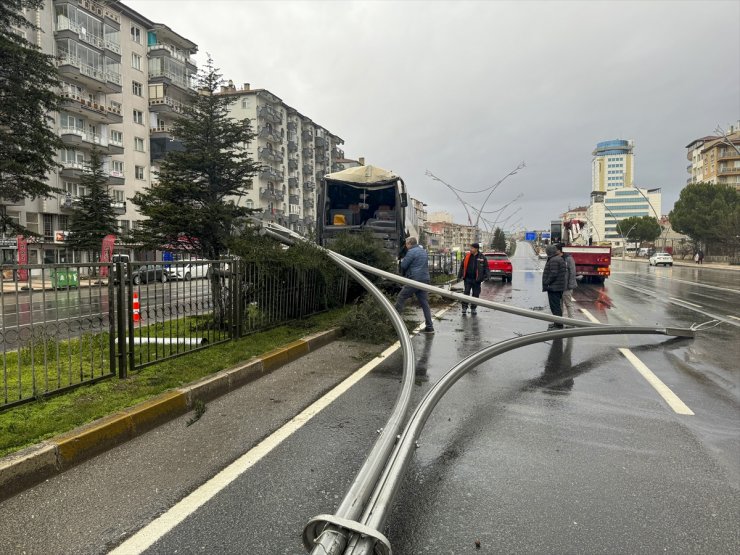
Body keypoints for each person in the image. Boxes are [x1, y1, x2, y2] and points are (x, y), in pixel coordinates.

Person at [394, 237, 435, 333]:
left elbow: (404, 265)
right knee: (424, 303)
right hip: (425, 279)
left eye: (406, 244)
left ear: (409, 244)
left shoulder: (411, 252)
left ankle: (396, 322)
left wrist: (402, 260)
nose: (406, 246)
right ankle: (430, 327)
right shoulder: (423, 251)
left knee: (401, 296)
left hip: (415, 280)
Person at [456, 242, 489, 315]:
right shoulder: (467, 256)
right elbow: (462, 266)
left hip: (477, 280)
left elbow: (486, 267)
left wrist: (486, 276)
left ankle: (473, 308)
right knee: (466, 293)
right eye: (470, 248)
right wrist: (459, 276)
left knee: (475, 294)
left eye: (472, 248)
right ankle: (464, 308)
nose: (470, 249)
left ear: (476, 249)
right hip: (468, 279)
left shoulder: (482, 257)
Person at [542, 244, 566, 329]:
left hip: (554, 287)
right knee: (556, 306)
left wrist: (547, 282)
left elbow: (553, 274)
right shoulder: (557, 259)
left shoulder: (554, 260)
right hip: (556, 286)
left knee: (555, 307)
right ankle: (556, 323)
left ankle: (559, 325)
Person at [558, 243, 577, 319]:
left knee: (568, 304)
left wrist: (570, 285)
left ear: (559, 250)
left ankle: (571, 322)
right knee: (559, 305)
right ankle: (559, 322)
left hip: (566, 287)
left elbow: (573, 272)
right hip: (558, 287)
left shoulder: (568, 258)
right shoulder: (557, 258)